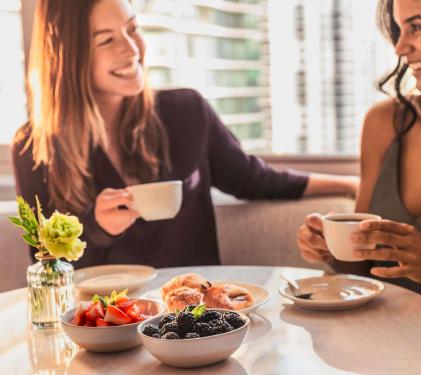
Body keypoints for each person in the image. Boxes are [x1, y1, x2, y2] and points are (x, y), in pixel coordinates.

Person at [12, 0, 358, 270]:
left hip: (197, 321)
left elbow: (255, 179)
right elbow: (48, 266)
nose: (132, 50)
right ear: (68, 57)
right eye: (106, 41)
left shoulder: (185, 112)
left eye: (133, 29)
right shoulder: (34, 148)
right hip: (104, 331)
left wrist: (349, 185)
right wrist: (96, 227)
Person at [297, 0, 421, 374]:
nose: (400, 47)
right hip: (376, 343)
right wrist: (332, 247)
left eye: (417, 27)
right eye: (399, 29)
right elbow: (360, 271)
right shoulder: (385, 123)